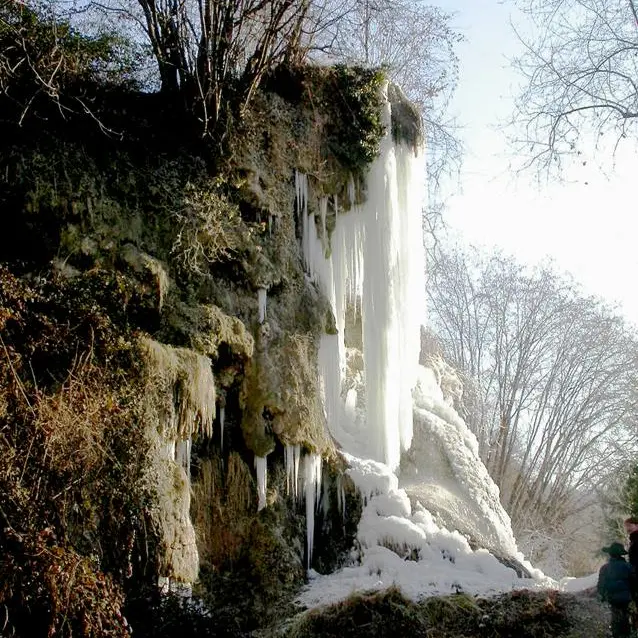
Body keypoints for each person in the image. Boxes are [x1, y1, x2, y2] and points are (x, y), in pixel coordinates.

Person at [598, 542, 637, 638]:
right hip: (626, 598)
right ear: (621, 554)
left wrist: (603, 596)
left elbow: (601, 585)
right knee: (625, 616)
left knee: (615, 617)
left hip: (612, 598)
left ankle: (617, 634)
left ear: (610, 554)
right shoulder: (628, 567)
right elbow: (634, 582)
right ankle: (626, 633)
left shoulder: (605, 568)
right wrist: (634, 595)